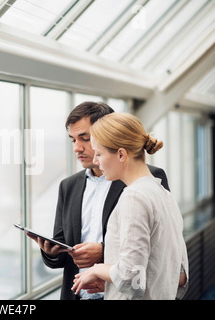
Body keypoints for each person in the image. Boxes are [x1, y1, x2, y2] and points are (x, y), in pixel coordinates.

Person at [29, 102, 169, 300]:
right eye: (73, 140)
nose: (77, 148)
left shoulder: (146, 181)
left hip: (123, 294)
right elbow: (61, 257)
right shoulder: (68, 186)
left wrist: (103, 252)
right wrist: (51, 252)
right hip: (77, 295)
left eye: (85, 138)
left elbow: (160, 249)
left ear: (106, 134)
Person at [71, 112, 189, 299]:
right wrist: (112, 281)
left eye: (99, 153)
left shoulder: (134, 197)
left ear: (121, 154)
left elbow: (130, 279)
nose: (95, 161)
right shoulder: (163, 194)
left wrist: (98, 269)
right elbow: (180, 276)